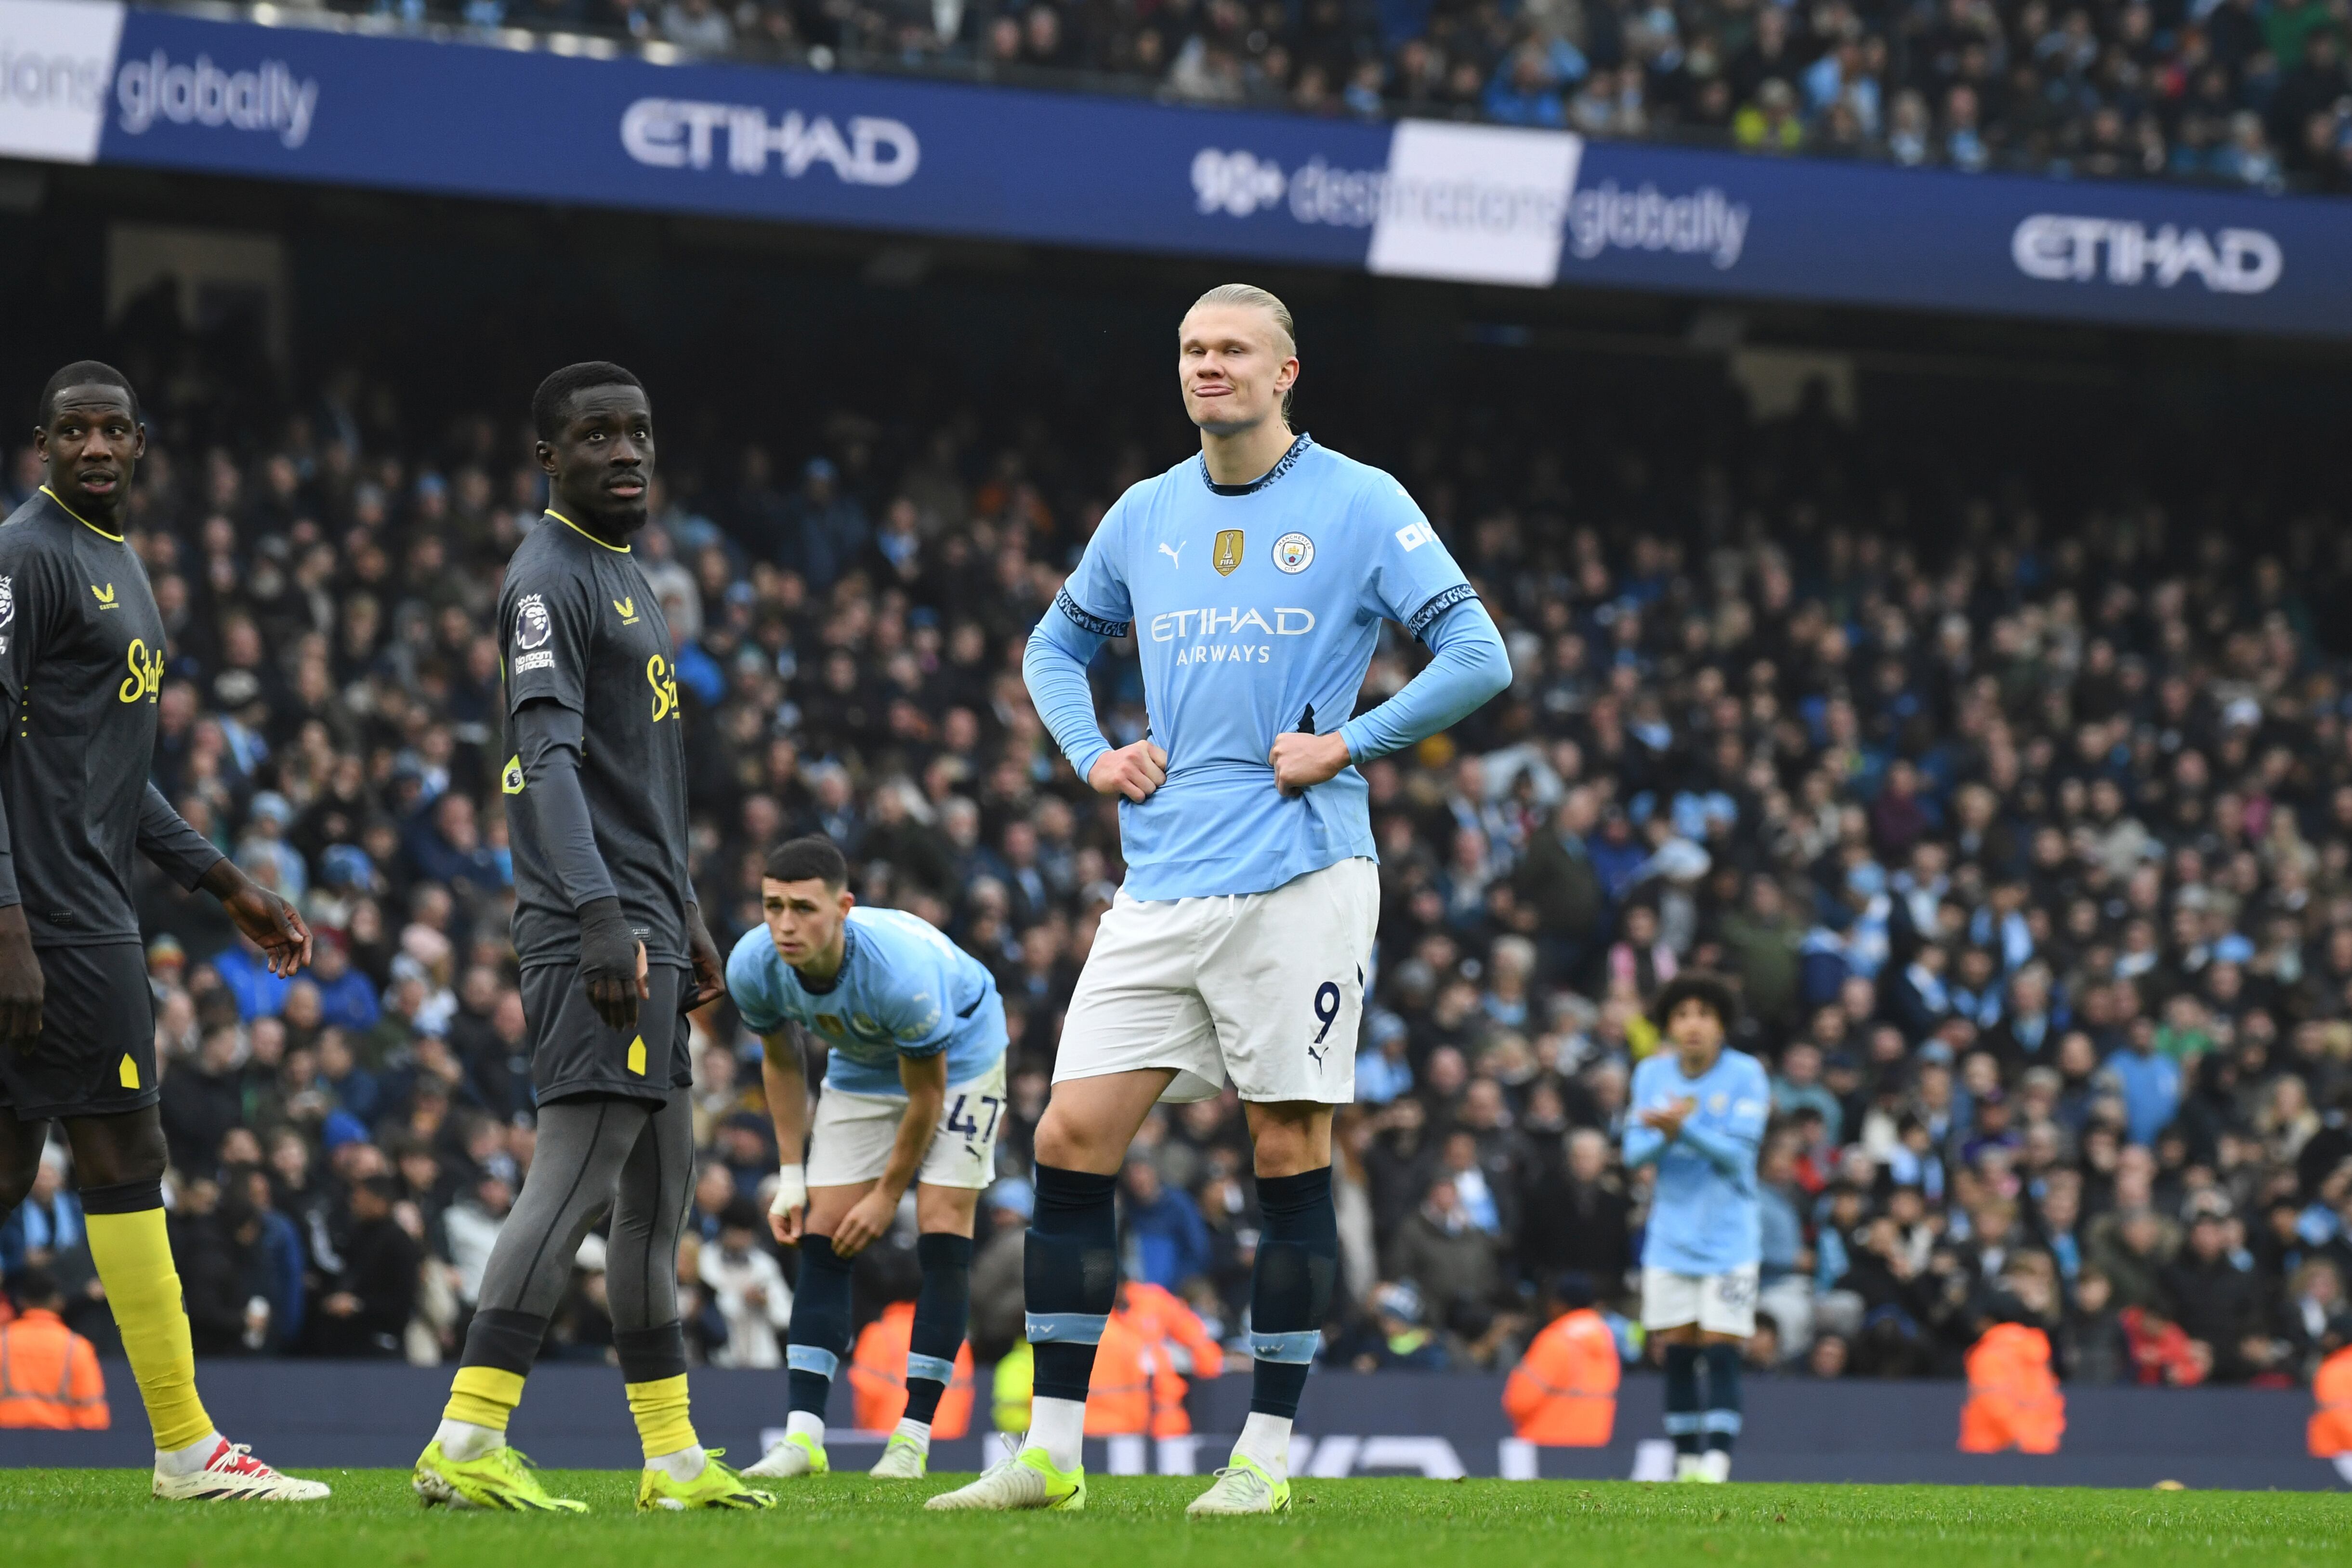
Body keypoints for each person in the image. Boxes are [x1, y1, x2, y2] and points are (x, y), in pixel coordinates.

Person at [930, 284, 1511, 1516]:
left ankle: (1264, 1455)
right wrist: (1092, 751)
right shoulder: (1143, 514)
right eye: (1193, 349)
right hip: (1161, 881)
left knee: (1286, 1144)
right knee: (1069, 1137)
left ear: (1284, 372)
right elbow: (1051, 647)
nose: (1209, 366)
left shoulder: (1360, 501)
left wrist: (1349, 742)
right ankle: (1050, 1453)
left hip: (1300, 877)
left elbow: (1478, 656)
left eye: (1232, 350)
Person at [411, 363, 769, 1515]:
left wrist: (690, 917)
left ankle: (669, 1459)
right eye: (597, 435)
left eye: (639, 433)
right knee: (571, 1180)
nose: (626, 452)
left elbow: (634, 782)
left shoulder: (629, 576)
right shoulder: (548, 580)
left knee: (656, 1198)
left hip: (652, 924)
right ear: (547, 459)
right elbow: (549, 766)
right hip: (593, 933)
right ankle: (465, 1440)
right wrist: (604, 913)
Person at [0, 363, 325, 1501]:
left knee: (54, 1162)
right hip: (51, 925)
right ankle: (186, 1447)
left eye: (112, 430)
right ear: (41, 443)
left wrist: (226, 882)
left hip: (84, 911)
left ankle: (187, 1447)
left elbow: (115, 777)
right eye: (72, 431)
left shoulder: (121, 565)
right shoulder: (26, 554)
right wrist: (9, 925)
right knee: (123, 1156)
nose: (94, 446)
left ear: (141, 444)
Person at [727, 833, 1009, 1482]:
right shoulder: (752, 963)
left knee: (941, 1219)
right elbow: (780, 1061)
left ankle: (910, 1439)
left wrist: (886, 1194)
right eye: (772, 906)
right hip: (860, 1057)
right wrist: (792, 1175)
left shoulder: (901, 975)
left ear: (844, 906)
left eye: (803, 907)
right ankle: (802, 1439)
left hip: (961, 1053)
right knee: (822, 1227)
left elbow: (926, 1094)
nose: (785, 924)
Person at [1623, 973, 1769, 1483]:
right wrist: (1665, 1137)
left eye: (1703, 1015)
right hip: (1670, 1238)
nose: (1692, 1025)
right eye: (1682, 1015)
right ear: (1668, 1025)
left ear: (1721, 1026)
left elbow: (1738, 1158)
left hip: (1729, 1238)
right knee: (1679, 1350)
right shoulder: (1650, 1074)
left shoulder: (1746, 1075)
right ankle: (1686, 1465)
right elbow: (1632, 1151)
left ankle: (1717, 1463)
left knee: (1722, 1347)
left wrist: (1681, 1128)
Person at [0, 1267, 108, 1428]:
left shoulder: (3, 1342)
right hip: (62, 1447)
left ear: (22, 1302)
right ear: (57, 1302)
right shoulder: (77, 1348)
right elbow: (94, 1418)